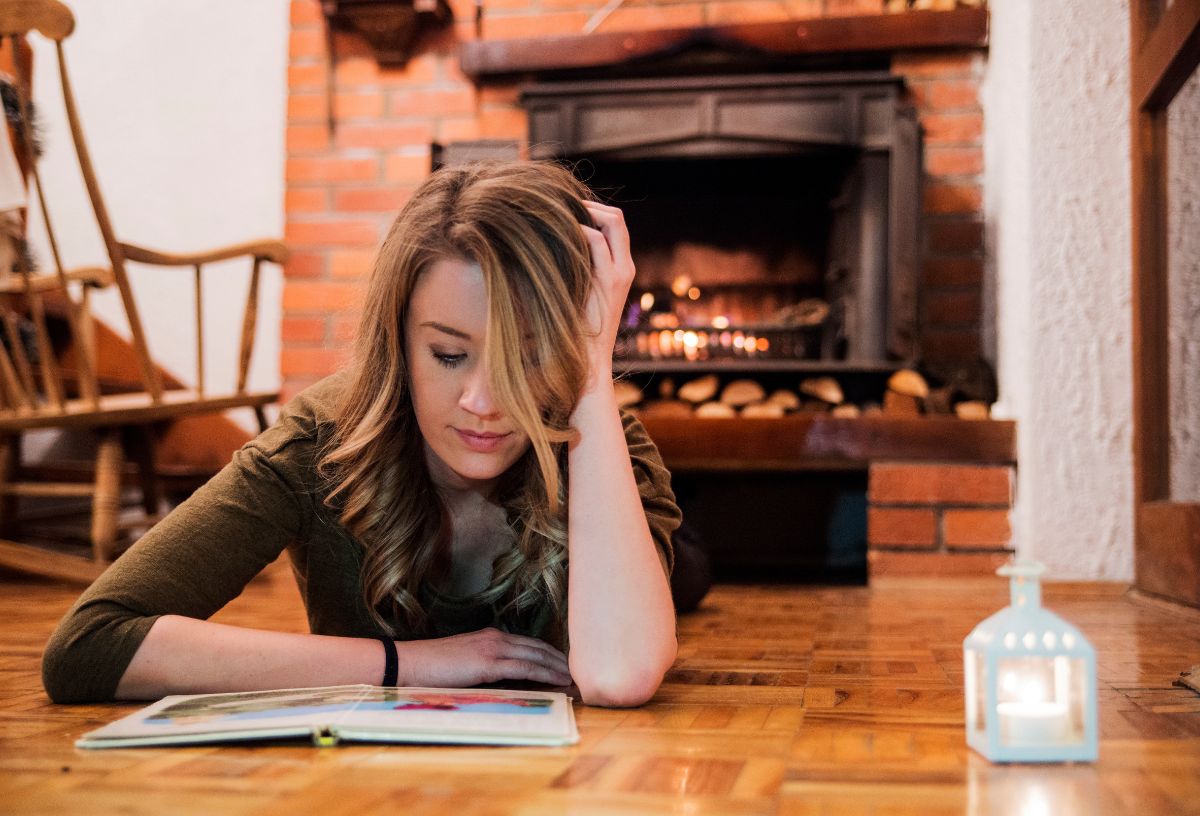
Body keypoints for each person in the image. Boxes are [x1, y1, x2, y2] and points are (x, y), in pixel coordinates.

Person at [42, 161, 688, 708]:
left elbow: (618, 674)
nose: (483, 403)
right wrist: (414, 664)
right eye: (447, 354)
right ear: (398, 344)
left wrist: (592, 369)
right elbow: (89, 646)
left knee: (687, 576)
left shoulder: (605, 439)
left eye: (525, 356)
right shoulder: (318, 441)